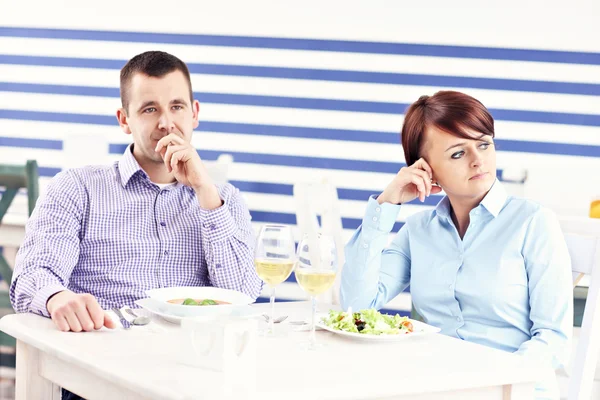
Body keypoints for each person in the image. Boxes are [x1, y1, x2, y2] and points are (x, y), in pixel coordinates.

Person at [340, 90, 572, 399]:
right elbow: (357, 304)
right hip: (433, 388)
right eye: (458, 153)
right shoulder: (418, 230)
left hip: (512, 390)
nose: (478, 161)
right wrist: (387, 202)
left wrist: (491, 383)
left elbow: (553, 338)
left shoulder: (534, 223)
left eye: (484, 144)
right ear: (425, 168)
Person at [10, 50, 262, 333]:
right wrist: (57, 297)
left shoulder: (224, 199)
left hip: (191, 360)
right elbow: (31, 277)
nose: (166, 122)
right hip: (102, 353)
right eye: (150, 109)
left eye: (177, 106)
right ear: (124, 120)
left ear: (195, 114)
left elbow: (244, 293)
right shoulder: (76, 188)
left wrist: (206, 191)